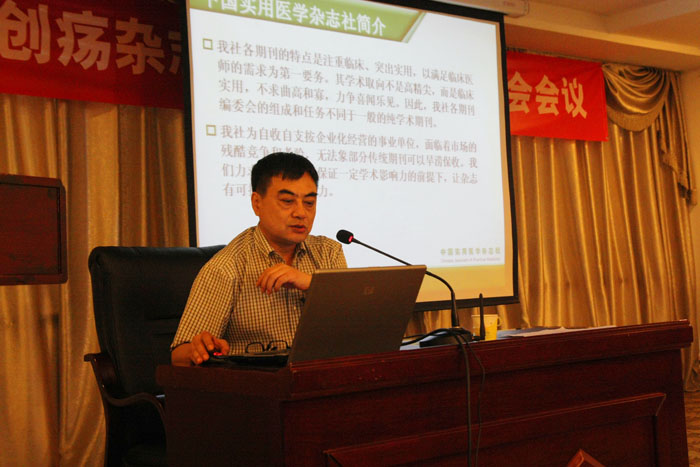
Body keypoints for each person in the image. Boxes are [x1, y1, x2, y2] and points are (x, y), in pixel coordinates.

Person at [170, 152, 347, 366]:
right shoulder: (226, 268)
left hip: (323, 377)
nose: (301, 213)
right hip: (258, 382)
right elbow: (179, 356)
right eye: (287, 201)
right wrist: (199, 349)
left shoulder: (329, 253)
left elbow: (352, 325)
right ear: (257, 203)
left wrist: (312, 284)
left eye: (309, 202)